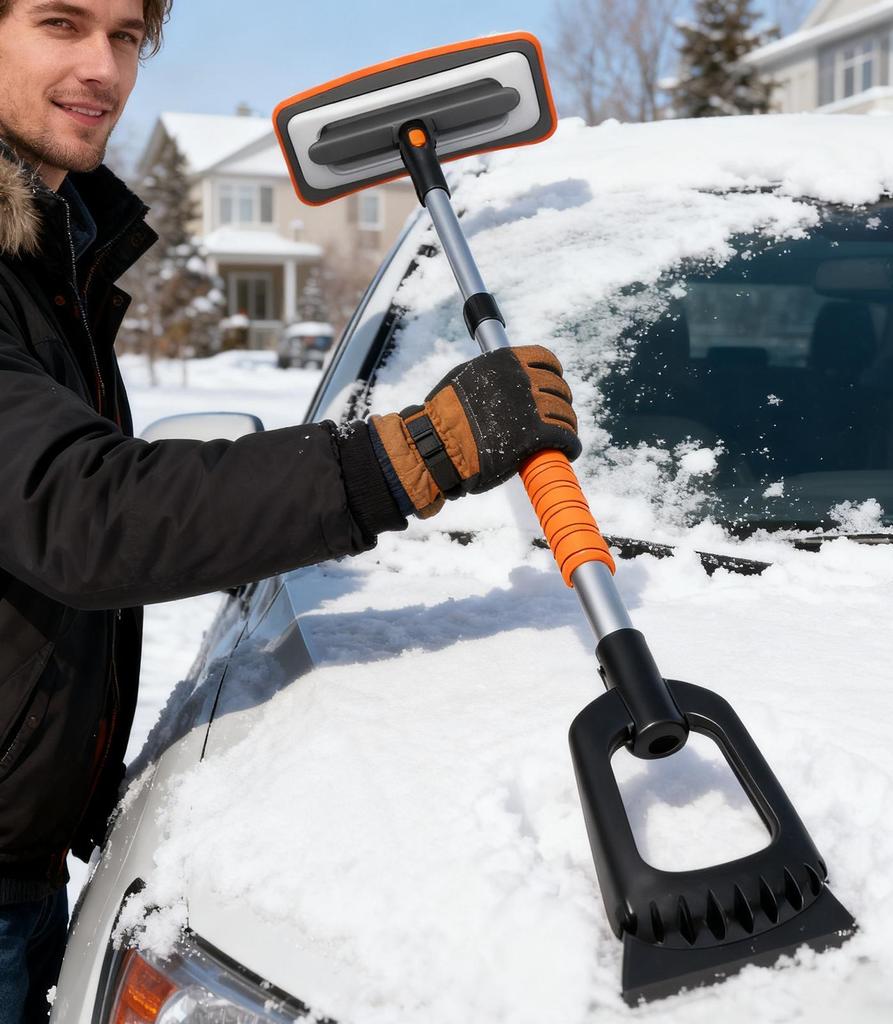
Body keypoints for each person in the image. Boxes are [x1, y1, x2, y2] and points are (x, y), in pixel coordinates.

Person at [0, 2, 580, 1019]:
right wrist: (415, 451)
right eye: (61, 22)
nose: (102, 66)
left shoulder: (51, 256)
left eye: (127, 35)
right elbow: (82, 509)